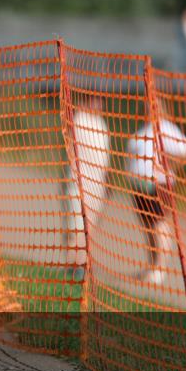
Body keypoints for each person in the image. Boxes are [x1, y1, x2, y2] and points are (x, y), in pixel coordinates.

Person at [126, 99, 186, 285]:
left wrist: (169, 161)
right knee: (149, 226)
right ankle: (152, 266)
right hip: (140, 186)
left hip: (159, 185)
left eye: (153, 107)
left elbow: (185, 150)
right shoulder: (143, 130)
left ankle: (160, 268)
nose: (149, 109)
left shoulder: (166, 128)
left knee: (158, 224)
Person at [61, 92, 110, 280]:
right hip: (77, 184)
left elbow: (105, 158)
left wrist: (106, 183)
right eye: (95, 100)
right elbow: (70, 146)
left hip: (96, 187)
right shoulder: (79, 119)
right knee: (75, 227)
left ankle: (80, 266)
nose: (99, 104)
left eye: (101, 101)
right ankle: (71, 267)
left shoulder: (102, 125)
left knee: (88, 230)